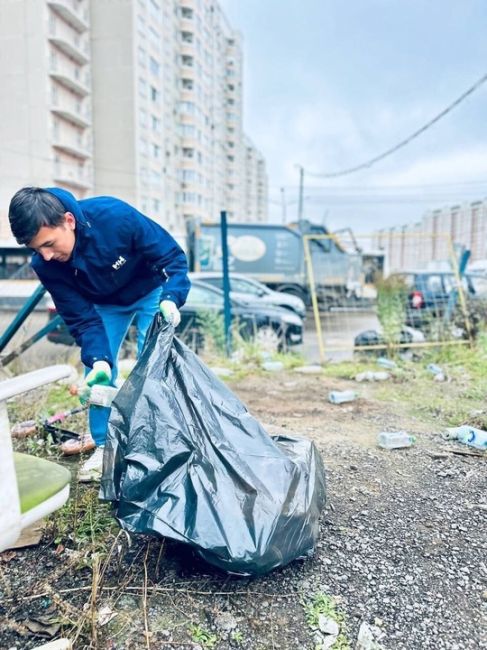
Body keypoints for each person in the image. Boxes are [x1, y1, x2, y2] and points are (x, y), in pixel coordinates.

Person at [8, 187, 191, 481]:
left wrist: (172, 296)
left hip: (151, 291)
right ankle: (105, 447)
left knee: (154, 362)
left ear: (69, 221)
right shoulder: (45, 264)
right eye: (36, 249)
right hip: (104, 304)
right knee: (97, 370)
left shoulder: (115, 216)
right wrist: (101, 359)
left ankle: (156, 443)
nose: (45, 255)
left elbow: (171, 257)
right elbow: (81, 318)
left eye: (49, 244)